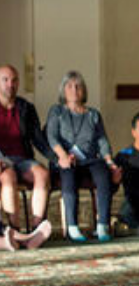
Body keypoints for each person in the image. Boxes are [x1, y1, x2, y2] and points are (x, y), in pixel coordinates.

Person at [44, 70, 120, 243]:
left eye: (78, 86)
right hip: (65, 160)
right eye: (69, 86)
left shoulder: (93, 114)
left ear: (84, 90)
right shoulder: (56, 111)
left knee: (103, 174)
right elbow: (51, 136)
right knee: (68, 177)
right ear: (63, 90)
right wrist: (62, 156)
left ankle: (102, 225)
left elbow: (102, 141)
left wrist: (109, 161)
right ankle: (72, 227)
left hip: (90, 159)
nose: (74, 89)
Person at [0, 62, 52, 251]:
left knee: (43, 174)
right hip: (2, 162)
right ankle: (15, 231)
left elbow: (38, 139)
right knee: (9, 177)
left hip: (23, 160)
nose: (10, 84)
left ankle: (37, 231)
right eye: (5, 80)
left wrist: (57, 158)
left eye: (14, 80)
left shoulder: (26, 108)